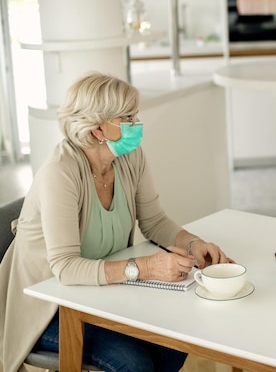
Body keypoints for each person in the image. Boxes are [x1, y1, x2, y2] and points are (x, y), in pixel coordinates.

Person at [0, 72, 234, 372]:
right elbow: (66, 267)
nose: (137, 123)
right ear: (97, 129)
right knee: (134, 363)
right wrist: (148, 267)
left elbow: (154, 220)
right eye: (127, 117)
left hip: (99, 294)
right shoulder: (60, 173)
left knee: (175, 341)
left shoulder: (130, 156)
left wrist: (194, 243)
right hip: (46, 307)